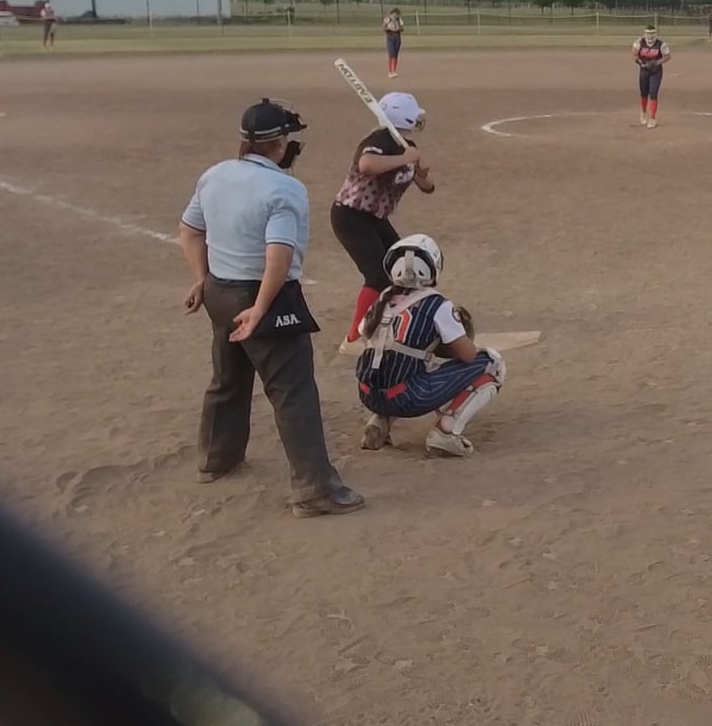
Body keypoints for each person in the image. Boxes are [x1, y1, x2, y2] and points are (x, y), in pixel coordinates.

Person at [177, 99, 363, 518]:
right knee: (293, 392)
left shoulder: (214, 174)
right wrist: (261, 308)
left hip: (219, 291)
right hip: (264, 296)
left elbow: (189, 231)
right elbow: (278, 253)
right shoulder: (284, 188)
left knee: (228, 378)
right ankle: (314, 490)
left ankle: (216, 460)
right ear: (279, 144)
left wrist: (202, 279)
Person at [353, 234, 506, 458]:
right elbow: (468, 355)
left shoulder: (383, 298)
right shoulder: (437, 305)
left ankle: (380, 420)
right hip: (409, 398)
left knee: (395, 361)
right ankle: (446, 432)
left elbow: (364, 333)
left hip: (367, 394)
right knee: (492, 364)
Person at [331, 92, 433, 351]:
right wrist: (406, 158)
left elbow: (427, 187)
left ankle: (392, 323)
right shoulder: (378, 141)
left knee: (403, 268)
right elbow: (367, 165)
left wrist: (421, 173)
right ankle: (353, 339)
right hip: (351, 216)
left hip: (374, 218)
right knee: (377, 276)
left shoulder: (405, 146)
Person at [633, 25, 670, 127]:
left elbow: (667, 56)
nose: (650, 36)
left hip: (656, 71)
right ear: (644, 34)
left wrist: (657, 62)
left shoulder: (661, 44)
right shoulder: (639, 43)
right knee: (644, 93)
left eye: (652, 34)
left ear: (656, 34)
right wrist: (641, 63)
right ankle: (643, 112)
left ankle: (652, 118)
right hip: (644, 70)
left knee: (653, 93)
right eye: (648, 34)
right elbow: (634, 54)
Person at [383, 9, 404, 78]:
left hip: (397, 37)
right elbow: (384, 28)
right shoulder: (387, 20)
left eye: (397, 14)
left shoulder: (399, 20)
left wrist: (398, 29)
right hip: (390, 37)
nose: (395, 15)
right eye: (394, 14)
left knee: (395, 54)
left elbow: (402, 28)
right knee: (391, 54)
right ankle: (390, 71)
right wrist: (389, 29)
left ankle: (394, 71)